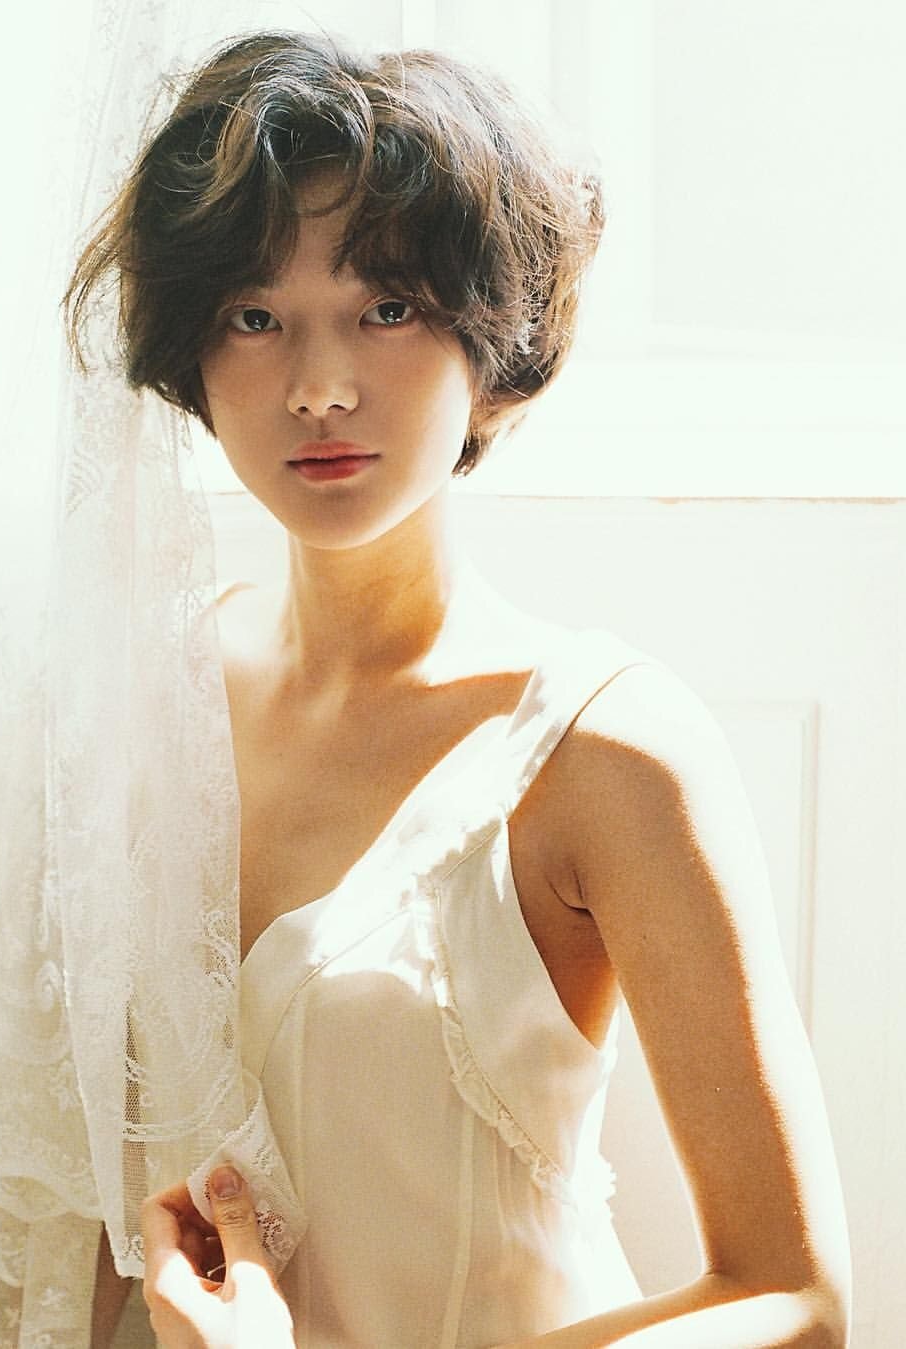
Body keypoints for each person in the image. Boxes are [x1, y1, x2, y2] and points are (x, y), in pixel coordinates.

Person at [66, 29, 850, 1348]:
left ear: (492, 340)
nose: (318, 387)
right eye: (256, 317)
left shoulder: (606, 748)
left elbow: (800, 1301)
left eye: (386, 308)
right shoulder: (154, 693)